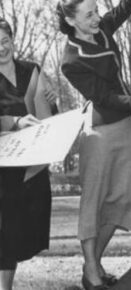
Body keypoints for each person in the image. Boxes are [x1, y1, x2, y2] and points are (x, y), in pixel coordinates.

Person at [56, 0, 131, 289]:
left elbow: (122, 9)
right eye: (89, 14)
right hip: (100, 130)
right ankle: (93, 273)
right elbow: (105, 98)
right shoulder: (71, 60)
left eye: (96, 11)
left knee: (121, 200)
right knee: (93, 202)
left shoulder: (103, 28)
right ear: (71, 21)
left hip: (125, 126)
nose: (97, 18)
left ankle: (91, 265)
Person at [0, 18, 57, 290]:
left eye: (4, 40)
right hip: (4, 165)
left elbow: (48, 114)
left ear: (12, 39)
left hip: (33, 161)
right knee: (6, 230)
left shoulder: (31, 69)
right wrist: (14, 122)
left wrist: (51, 99)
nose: (1, 48)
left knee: (24, 229)